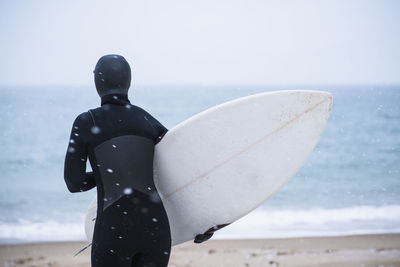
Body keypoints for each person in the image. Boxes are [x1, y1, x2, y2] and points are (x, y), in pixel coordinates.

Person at [64, 55, 171, 267]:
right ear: (128, 82)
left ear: (97, 83)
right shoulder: (146, 119)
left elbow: (74, 183)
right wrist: (200, 222)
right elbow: (178, 167)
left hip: (114, 230)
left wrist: (105, 173)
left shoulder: (87, 122)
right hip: (156, 229)